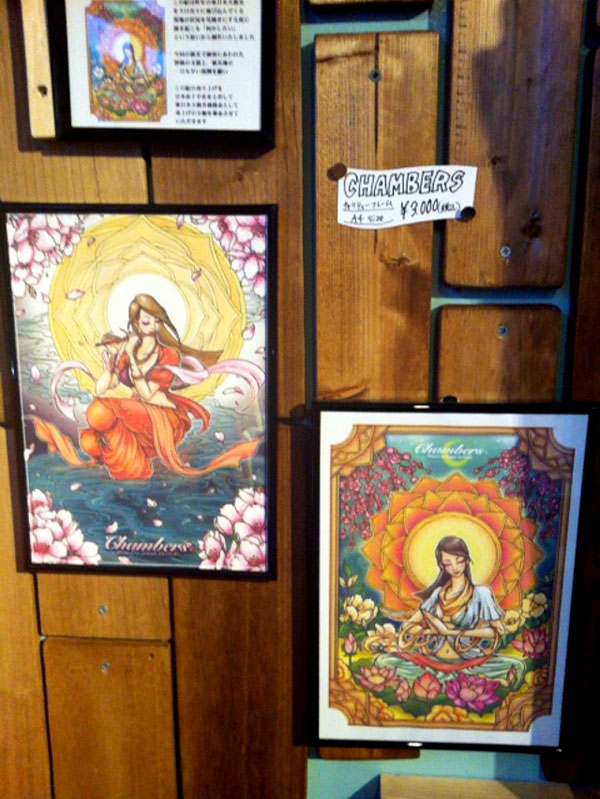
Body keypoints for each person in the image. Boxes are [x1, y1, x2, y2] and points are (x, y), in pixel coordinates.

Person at [78, 294, 251, 480]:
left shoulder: (169, 354)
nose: (153, 325)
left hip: (160, 416)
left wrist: (131, 358)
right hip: (134, 414)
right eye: (146, 321)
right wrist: (115, 359)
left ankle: (133, 462)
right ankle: (135, 460)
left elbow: (146, 394)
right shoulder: (129, 350)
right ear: (136, 323)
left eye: (157, 321)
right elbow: (101, 388)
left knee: (99, 411)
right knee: (89, 441)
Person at [399, 535, 505, 661]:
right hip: (436, 658)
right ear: (442, 565)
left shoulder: (481, 594)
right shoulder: (438, 594)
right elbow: (408, 626)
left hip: (469, 659)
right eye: (448, 563)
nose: (455, 567)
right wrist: (432, 630)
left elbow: (498, 630)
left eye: (459, 561)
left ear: (467, 560)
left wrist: (451, 632)